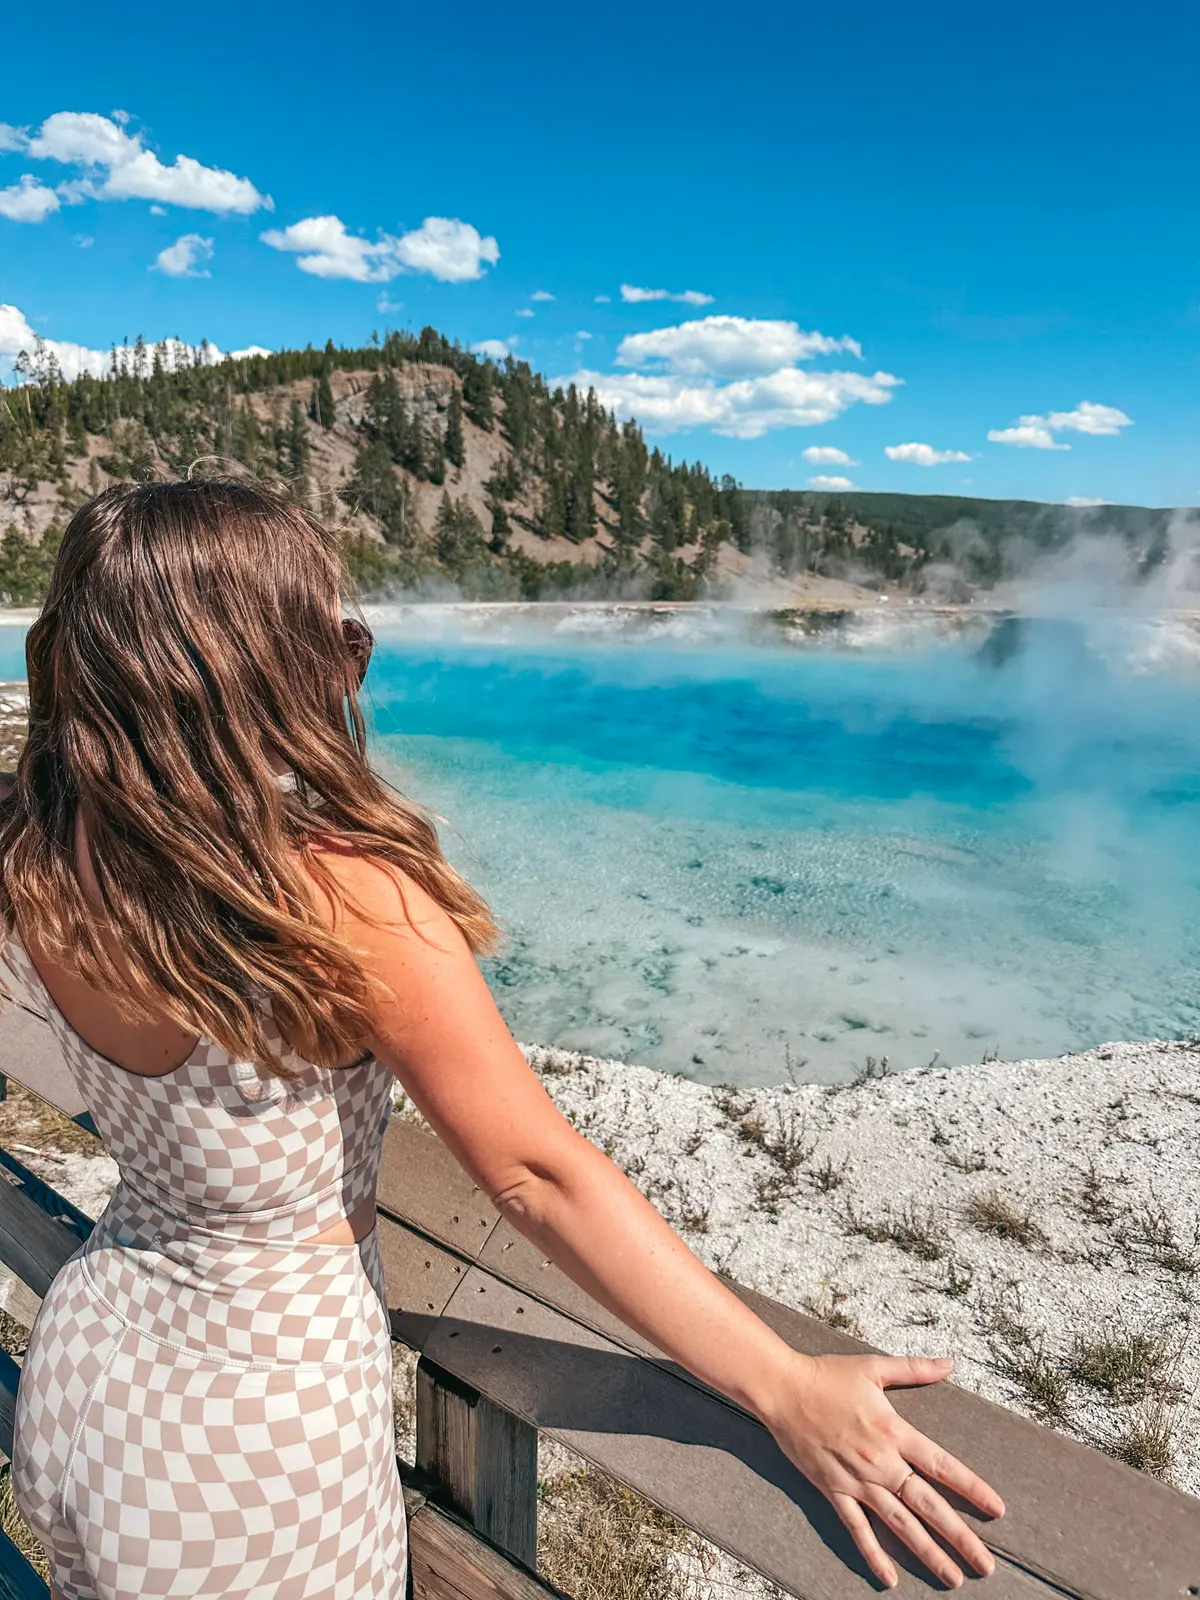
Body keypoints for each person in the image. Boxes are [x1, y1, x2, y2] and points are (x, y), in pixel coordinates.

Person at [0, 480, 1003, 1600]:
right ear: (254, 670)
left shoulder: (41, 846)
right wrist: (781, 1381)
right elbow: (535, 1173)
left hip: (94, 1369)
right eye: (337, 643)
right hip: (257, 1427)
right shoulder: (338, 897)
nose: (349, 669)